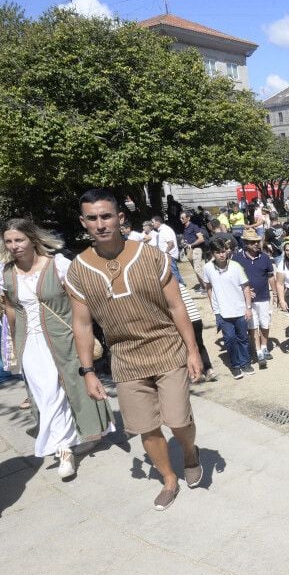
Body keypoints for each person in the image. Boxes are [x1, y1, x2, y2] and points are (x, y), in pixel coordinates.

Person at [66, 189, 204, 511]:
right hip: (125, 359)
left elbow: (176, 305)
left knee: (178, 419)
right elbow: (82, 326)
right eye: (92, 218)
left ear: (120, 218)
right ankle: (169, 479)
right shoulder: (78, 269)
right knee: (146, 427)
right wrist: (88, 372)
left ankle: (189, 453)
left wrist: (193, 350)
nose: (100, 224)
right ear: (84, 222)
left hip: (166, 348)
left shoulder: (151, 256)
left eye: (106, 216)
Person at [0, 218, 112, 479]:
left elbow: (81, 302)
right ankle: (64, 447)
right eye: (9, 241)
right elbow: (10, 308)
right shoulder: (6, 273)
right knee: (45, 394)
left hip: (63, 338)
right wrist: (13, 345)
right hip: (29, 343)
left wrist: (84, 332)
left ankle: (66, 446)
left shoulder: (58, 265)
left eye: (19, 240)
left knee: (68, 388)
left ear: (32, 239)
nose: (14, 246)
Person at [202, 238, 253, 379]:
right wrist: (214, 307)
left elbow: (246, 287)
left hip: (240, 309)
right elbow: (208, 288)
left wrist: (248, 308)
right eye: (218, 252)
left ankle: (245, 363)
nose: (222, 255)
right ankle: (236, 366)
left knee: (243, 338)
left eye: (223, 251)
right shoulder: (207, 268)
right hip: (222, 312)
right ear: (213, 253)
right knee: (230, 339)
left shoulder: (236, 266)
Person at [235, 227, 275, 368]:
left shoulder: (264, 257)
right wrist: (243, 292)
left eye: (257, 241)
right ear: (245, 243)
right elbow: (234, 280)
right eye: (252, 242)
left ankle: (264, 346)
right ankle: (258, 351)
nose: (256, 244)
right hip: (247, 300)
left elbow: (270, 276)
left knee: (265, 323)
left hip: (264, 297)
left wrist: (275, 294)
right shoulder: (237, 258)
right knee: (253, 326)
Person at [176, 280, 218, 383]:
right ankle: (209, 370)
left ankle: (195, 372)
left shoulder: (168, 288)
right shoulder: (180, 285)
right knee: (200, 345)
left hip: (186, 321)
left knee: (188, 347)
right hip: (196, 319)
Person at [180, 212, 207, 291]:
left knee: (198, 269)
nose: (181, 219)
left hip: (196, 249)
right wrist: (184, 242)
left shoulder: (194, 227)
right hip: (189, 250)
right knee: (196, 269)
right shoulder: (185, 227)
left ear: (188, 218)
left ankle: (207, 287)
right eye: (180, 218)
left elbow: (201, 239)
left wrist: (191, 245)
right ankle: (202, 286)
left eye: (182, 218)